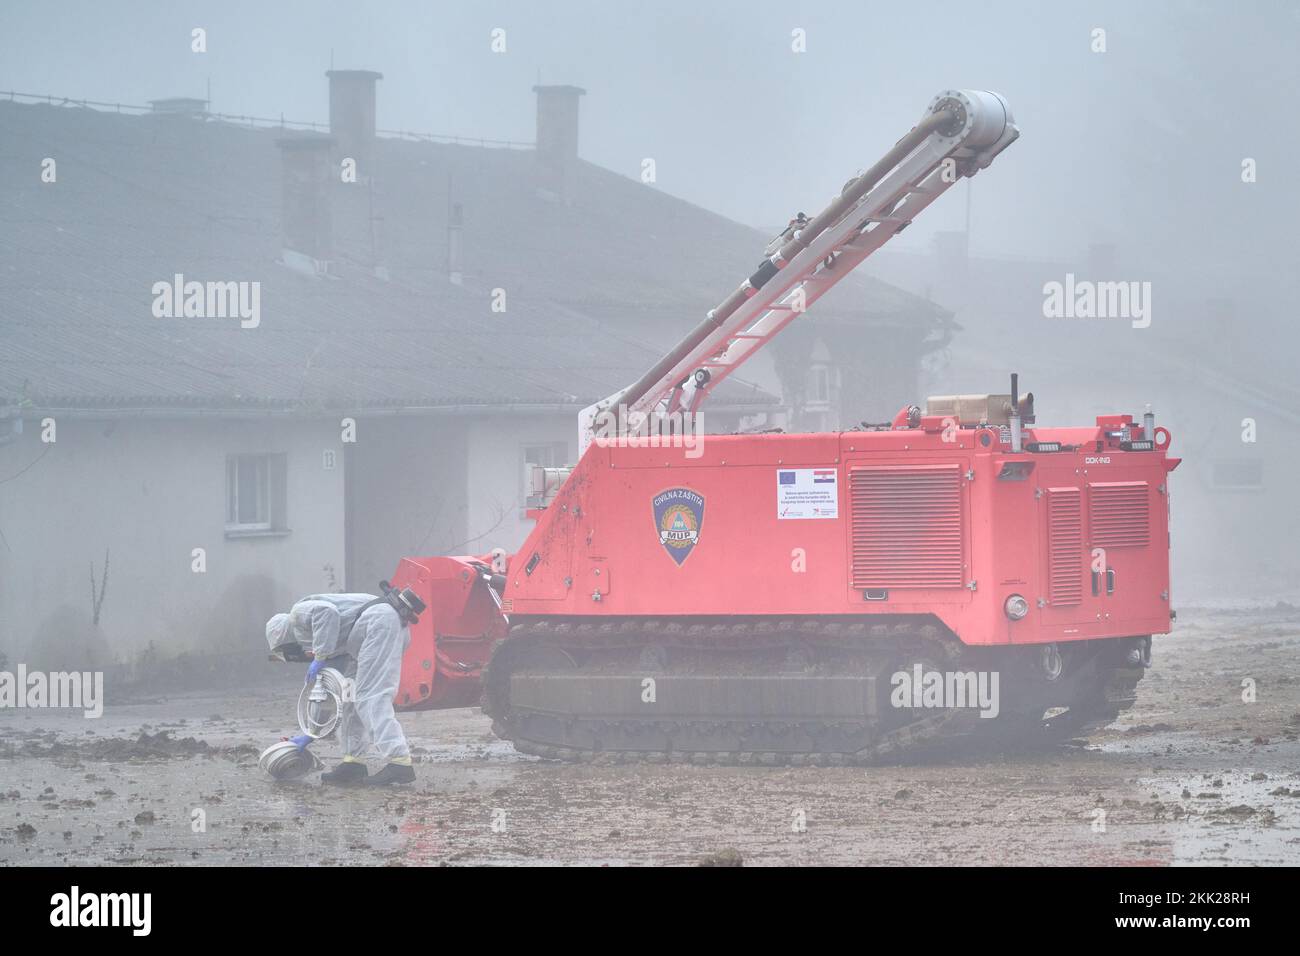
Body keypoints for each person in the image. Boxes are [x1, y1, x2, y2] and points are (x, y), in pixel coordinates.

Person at [265, 587, 424, 786]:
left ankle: (399, 762)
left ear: (283, 638)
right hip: (372, 632)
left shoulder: (298, 615)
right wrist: (309, 735)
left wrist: (320, 656)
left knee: (370, 697)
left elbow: (327, 612)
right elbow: (327, 693)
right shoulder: (328, 638)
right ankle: (353, 762)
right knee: (350, 698)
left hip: (379, 624)